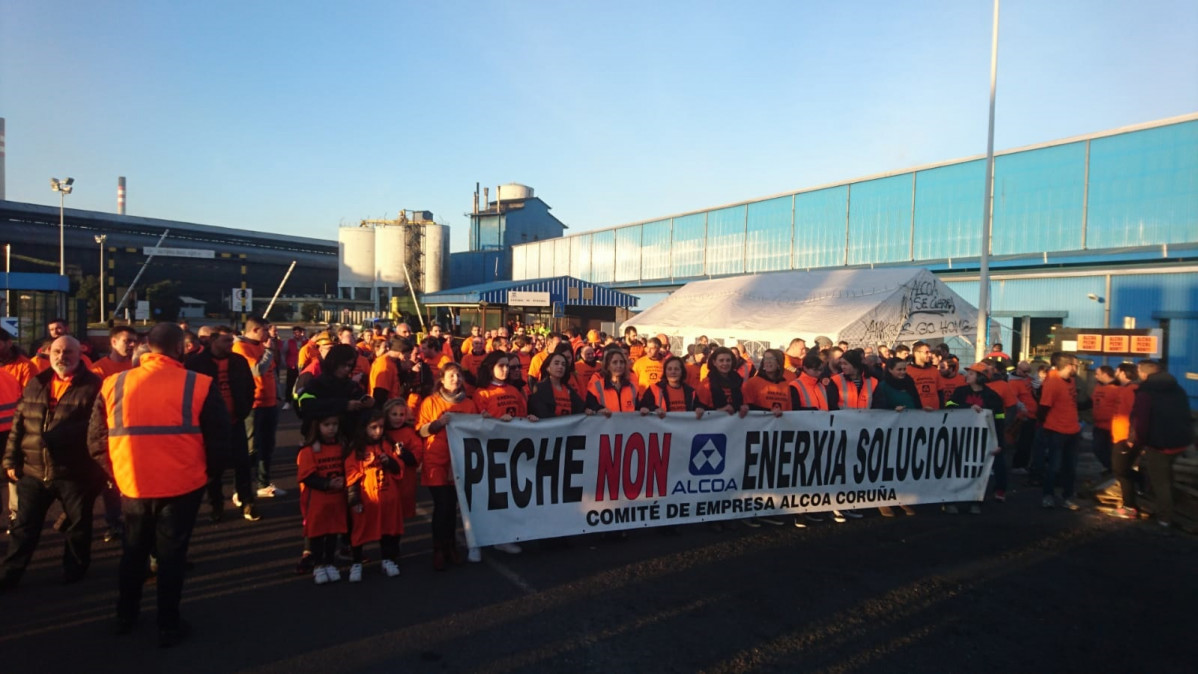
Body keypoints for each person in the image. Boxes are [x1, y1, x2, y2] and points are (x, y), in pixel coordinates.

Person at [87, 323, 231, 646]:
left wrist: (116, 474)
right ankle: (168, 622)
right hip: (183, 484)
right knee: (172, 556)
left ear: (147, 347)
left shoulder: (114, 383)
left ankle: (126, 615)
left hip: (133, 484)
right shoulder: (199, 384)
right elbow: (220, 438)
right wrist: (207, 475)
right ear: (180, 348)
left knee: (133, 552)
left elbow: (95, 439)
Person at [0, 337, 103, 591]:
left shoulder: (94, 386)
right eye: (56, 351)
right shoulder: (37, 382)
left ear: (80, 354)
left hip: (74, 472)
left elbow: (100, 428)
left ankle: (75, 571)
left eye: (68, 351)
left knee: (78, 527)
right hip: (34, 470)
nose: (61, 356)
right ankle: (9, 574)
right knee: (24, 527)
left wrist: (63, 434)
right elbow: (19, 423)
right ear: (48, 354)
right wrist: (10, 458)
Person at [186, 326, 259, 522]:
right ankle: (216, 505)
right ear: (213, 340)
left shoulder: (238, 361)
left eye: (232, 341)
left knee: (243, 465)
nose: (230, 345)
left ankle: (247, 502)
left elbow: (250, 387)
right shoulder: (196, 363)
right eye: (226, 341)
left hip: (235, 421)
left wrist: (243, 410)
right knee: (213, 468)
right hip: (210, 425)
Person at [417, 363, 478, 570]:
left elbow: (474, 430)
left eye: (459, 376)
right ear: (442, 379)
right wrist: (438, 424)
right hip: (436, 460)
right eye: (451, 376)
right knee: (442, 505)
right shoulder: (430, 402)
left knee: (452, 506)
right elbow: (421, 431)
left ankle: (451, 545)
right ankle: (438, 548)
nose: (456, 379)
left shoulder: (469, 404)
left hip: (458, 462)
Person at [1128, 359, 1193, 530]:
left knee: (1160, 482)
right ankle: (1172, 506)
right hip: (1180, 441)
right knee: (1168, 477)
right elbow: (1186, 414)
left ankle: (1164, 519)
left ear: (1144, 373)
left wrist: (1139, 444)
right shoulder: (1177, 388)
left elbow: (1141, 422)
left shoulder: (1146, 392)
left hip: (1159, 444)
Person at [344, 411, 405, 581]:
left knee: (388, 529)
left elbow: (399, 468)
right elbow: (351, 474)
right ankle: (356, 562)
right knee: (360, 530)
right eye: (373, 428)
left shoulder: (387, 444)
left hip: (388, 496)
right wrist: (354, 498)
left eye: (380, 427)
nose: (377, 432)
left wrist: (390, 462)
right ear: (364, 429)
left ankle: (387, 559)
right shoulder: (357, 449)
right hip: (366, 497)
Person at [945, 363, 1006, 513]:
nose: (967, 376)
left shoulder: (992, 396)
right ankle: (952, 500)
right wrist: (967, 408)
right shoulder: (960, 392)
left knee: (977, 470)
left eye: (971, 374)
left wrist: (999, 443)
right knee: (956, 469)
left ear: (980, 377)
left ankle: (975, 501)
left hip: (981, 441)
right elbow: (948, 405)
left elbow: (999, 420)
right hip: (960, 437)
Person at [234, 316, 283, 498]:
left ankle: (263, 483)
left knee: (267, 445)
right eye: (265, 329)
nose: (268, 333)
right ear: (254, 330)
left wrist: (278, 394)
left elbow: (273, 372)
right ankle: (240, 488)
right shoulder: (241, 347)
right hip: (255, 404)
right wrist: (269, 351)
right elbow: (256, 370)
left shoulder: (262, 345)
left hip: (270, 402)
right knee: (251, 449)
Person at [296, 414, 347, 585]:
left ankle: (330, 562)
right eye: (327, 424)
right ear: (317, 426)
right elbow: (307, 477)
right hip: (317, 500)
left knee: (333, 532)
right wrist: (327, 483)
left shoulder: (341, 447)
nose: (331, 428)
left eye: (334, 424)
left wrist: (344, 481)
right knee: (317, 534)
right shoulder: (309, 450)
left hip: (336, 499)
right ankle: (318, 564)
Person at [1038, 352, 1083, 510]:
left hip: (1073, 429)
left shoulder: (1070, 380)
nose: (1078, 368)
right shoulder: (1053, 382)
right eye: (1076, 365)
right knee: (1054, 466)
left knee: (1070, 467)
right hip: (1057, 430)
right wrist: (1044, 428)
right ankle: (1048, 495)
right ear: (1069, 365)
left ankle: (1067, 496)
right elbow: (1044, 407)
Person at [381, 399, 422, 532]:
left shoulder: (409, 433)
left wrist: (403, 454)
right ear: (386, 414)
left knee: (399, 520)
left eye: (401, 414)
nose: (398, 418)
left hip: (404, 481)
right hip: (385, 481)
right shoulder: (380, 431)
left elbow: (417, 456)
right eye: (394, 414)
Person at [1108, 363, 1142, 519]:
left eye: (1116, 370)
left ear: (1122, 372)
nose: (1115, 372)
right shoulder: (1125, 390)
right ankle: (1141, 488)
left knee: (1121, 471)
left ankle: (1130, 506)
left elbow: (1137, 416)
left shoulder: (1132, 391)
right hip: (1120, 437)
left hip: (1125, 439)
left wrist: (1131, 438)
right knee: (1122, 470)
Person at [641, 355, 705, 418]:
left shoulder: (690, 392)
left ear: (682, 372)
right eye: (669, 369)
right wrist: (654, 409)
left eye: (676, 369)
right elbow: (642, 407)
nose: (673, 372)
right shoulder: (654, 389)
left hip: (685, 427)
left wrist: (699, 408)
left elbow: (699, 406)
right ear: (665, 372)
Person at [529, 352, 588, 418]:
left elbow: (581, 407)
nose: (560, 367)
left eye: (563, 364)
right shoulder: (540, 388)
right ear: (547, 367)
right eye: (556, 363)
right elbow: (540, 412)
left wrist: (587, 410)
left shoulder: (569, 390)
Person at [586, 348, 639, 415]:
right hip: (606, 424)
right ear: (607, 366)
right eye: (615, 362)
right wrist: (599, 409)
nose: (619, 366)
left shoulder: (632, 386)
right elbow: (590, 407)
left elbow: (639, 407)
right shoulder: (597, 386)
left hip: (628, 424)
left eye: (621, 362)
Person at [700, 347, 748, 417]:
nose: (725, 363)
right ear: (714, 362)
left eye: (728, 360)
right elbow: (700, 410)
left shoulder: (739, 381)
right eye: (721, 360)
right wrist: (719, 411)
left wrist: (745, 407)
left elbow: (744, 402)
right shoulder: (706, 384)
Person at [742, 350, 793, 417]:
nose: (768, 361)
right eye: (766, 358)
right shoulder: (752, 383)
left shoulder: (785, 385)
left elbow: (789, 411)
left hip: (780, 425)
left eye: (772, 359)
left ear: (779, 363)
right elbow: (748, 408)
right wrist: (770, 412)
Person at [1089, 365, 1117, 473]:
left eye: (1097, 374)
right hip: (1098, 425)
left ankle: (1113, 470)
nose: (1095, 376)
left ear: (1105, 374)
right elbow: (1092, 401)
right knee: (1097, 449)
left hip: (1111, 427)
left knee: (1109, 451)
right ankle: (1111, 468)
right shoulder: (1098, 386)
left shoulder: (1117, 388)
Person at [905, 341, 941, 411]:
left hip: (935, 411)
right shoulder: (908, 371)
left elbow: (940, 392)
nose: (929, 355)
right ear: (916, 353)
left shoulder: (934, 370)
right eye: (926, 352)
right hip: (916, 411)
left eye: (929, 352)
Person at [280, 326, 307, 411]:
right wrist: (286, 363)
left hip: (304, 367)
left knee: (303, 385)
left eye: (299, 332)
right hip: (292, 366)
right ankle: (288, 401)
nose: (297, 334)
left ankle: (301, 401)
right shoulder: (289, 342)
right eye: (295, 332)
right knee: (290, 385)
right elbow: (283, 353)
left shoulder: (307, 342)